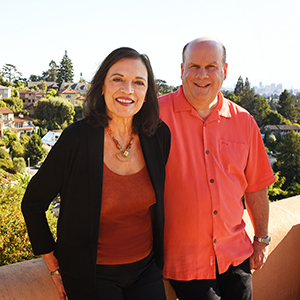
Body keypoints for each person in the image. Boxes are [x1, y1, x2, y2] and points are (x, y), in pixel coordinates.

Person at [22, 47, 171, 300]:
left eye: (138, 82)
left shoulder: (158, 135)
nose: (128, 90)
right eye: (118, 79)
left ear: (147, 94)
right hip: (92, 276)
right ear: (102, 87)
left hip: (146, 269)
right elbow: (33, 203)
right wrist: (52, 265)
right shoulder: (76, 139)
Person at [159, 37, 276, 300]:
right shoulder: (155, 116)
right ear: (182, 70)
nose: (202, 75)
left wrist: (261, 239)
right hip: (185, 261)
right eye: (194, 66)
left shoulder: (244, 121)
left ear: (224, 71)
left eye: (211, 66)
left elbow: (256, 186)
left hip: (236, 256)